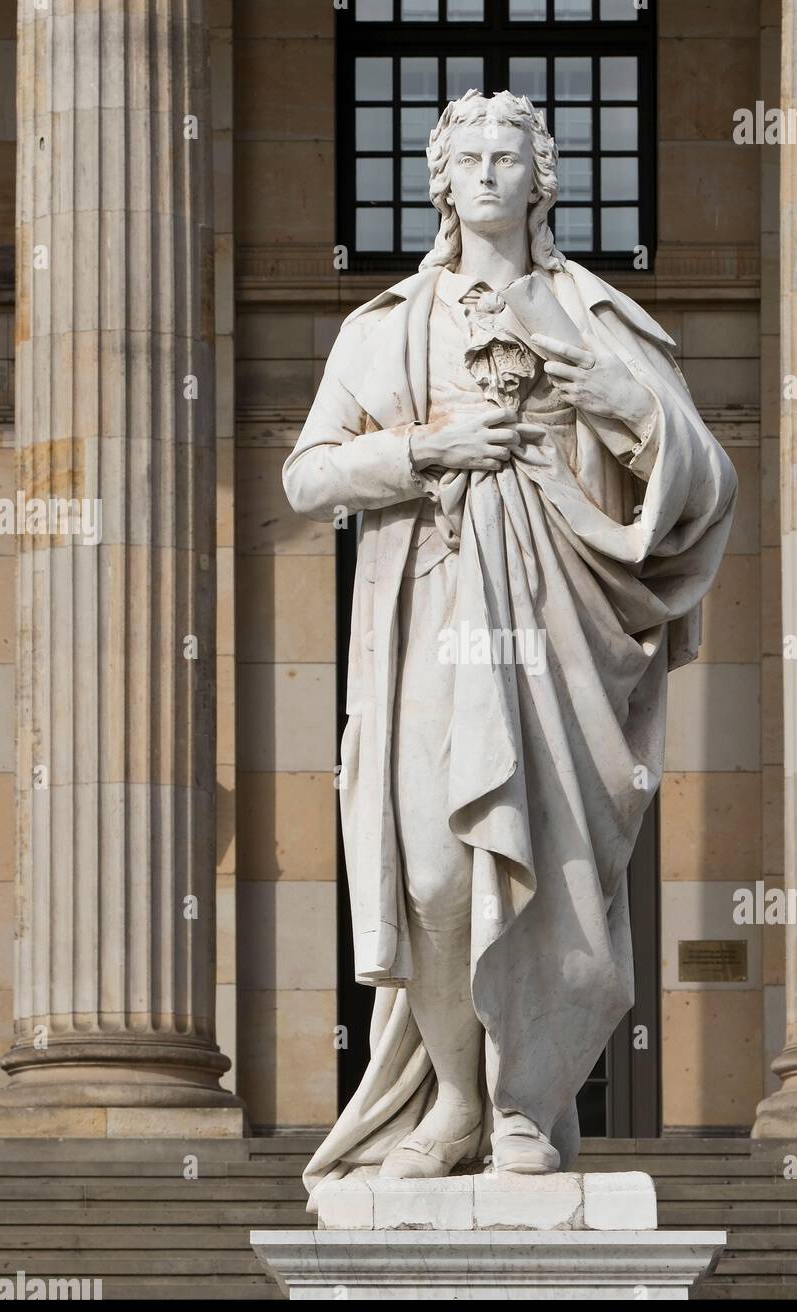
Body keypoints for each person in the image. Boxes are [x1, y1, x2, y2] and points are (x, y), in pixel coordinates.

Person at [283, 90, 736, 1211]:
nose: (487, 173)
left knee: (557, 877)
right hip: (432, 610)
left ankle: (527, 1101)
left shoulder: (598, 316)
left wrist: (622, 400)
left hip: (557, 626)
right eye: (467, 158)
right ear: (441, 182)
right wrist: (423, 447)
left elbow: (706, 480)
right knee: (434, 866)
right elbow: (305, 476)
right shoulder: (383, 326)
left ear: (542, 178)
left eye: (508, 156)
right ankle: (452, 1094)